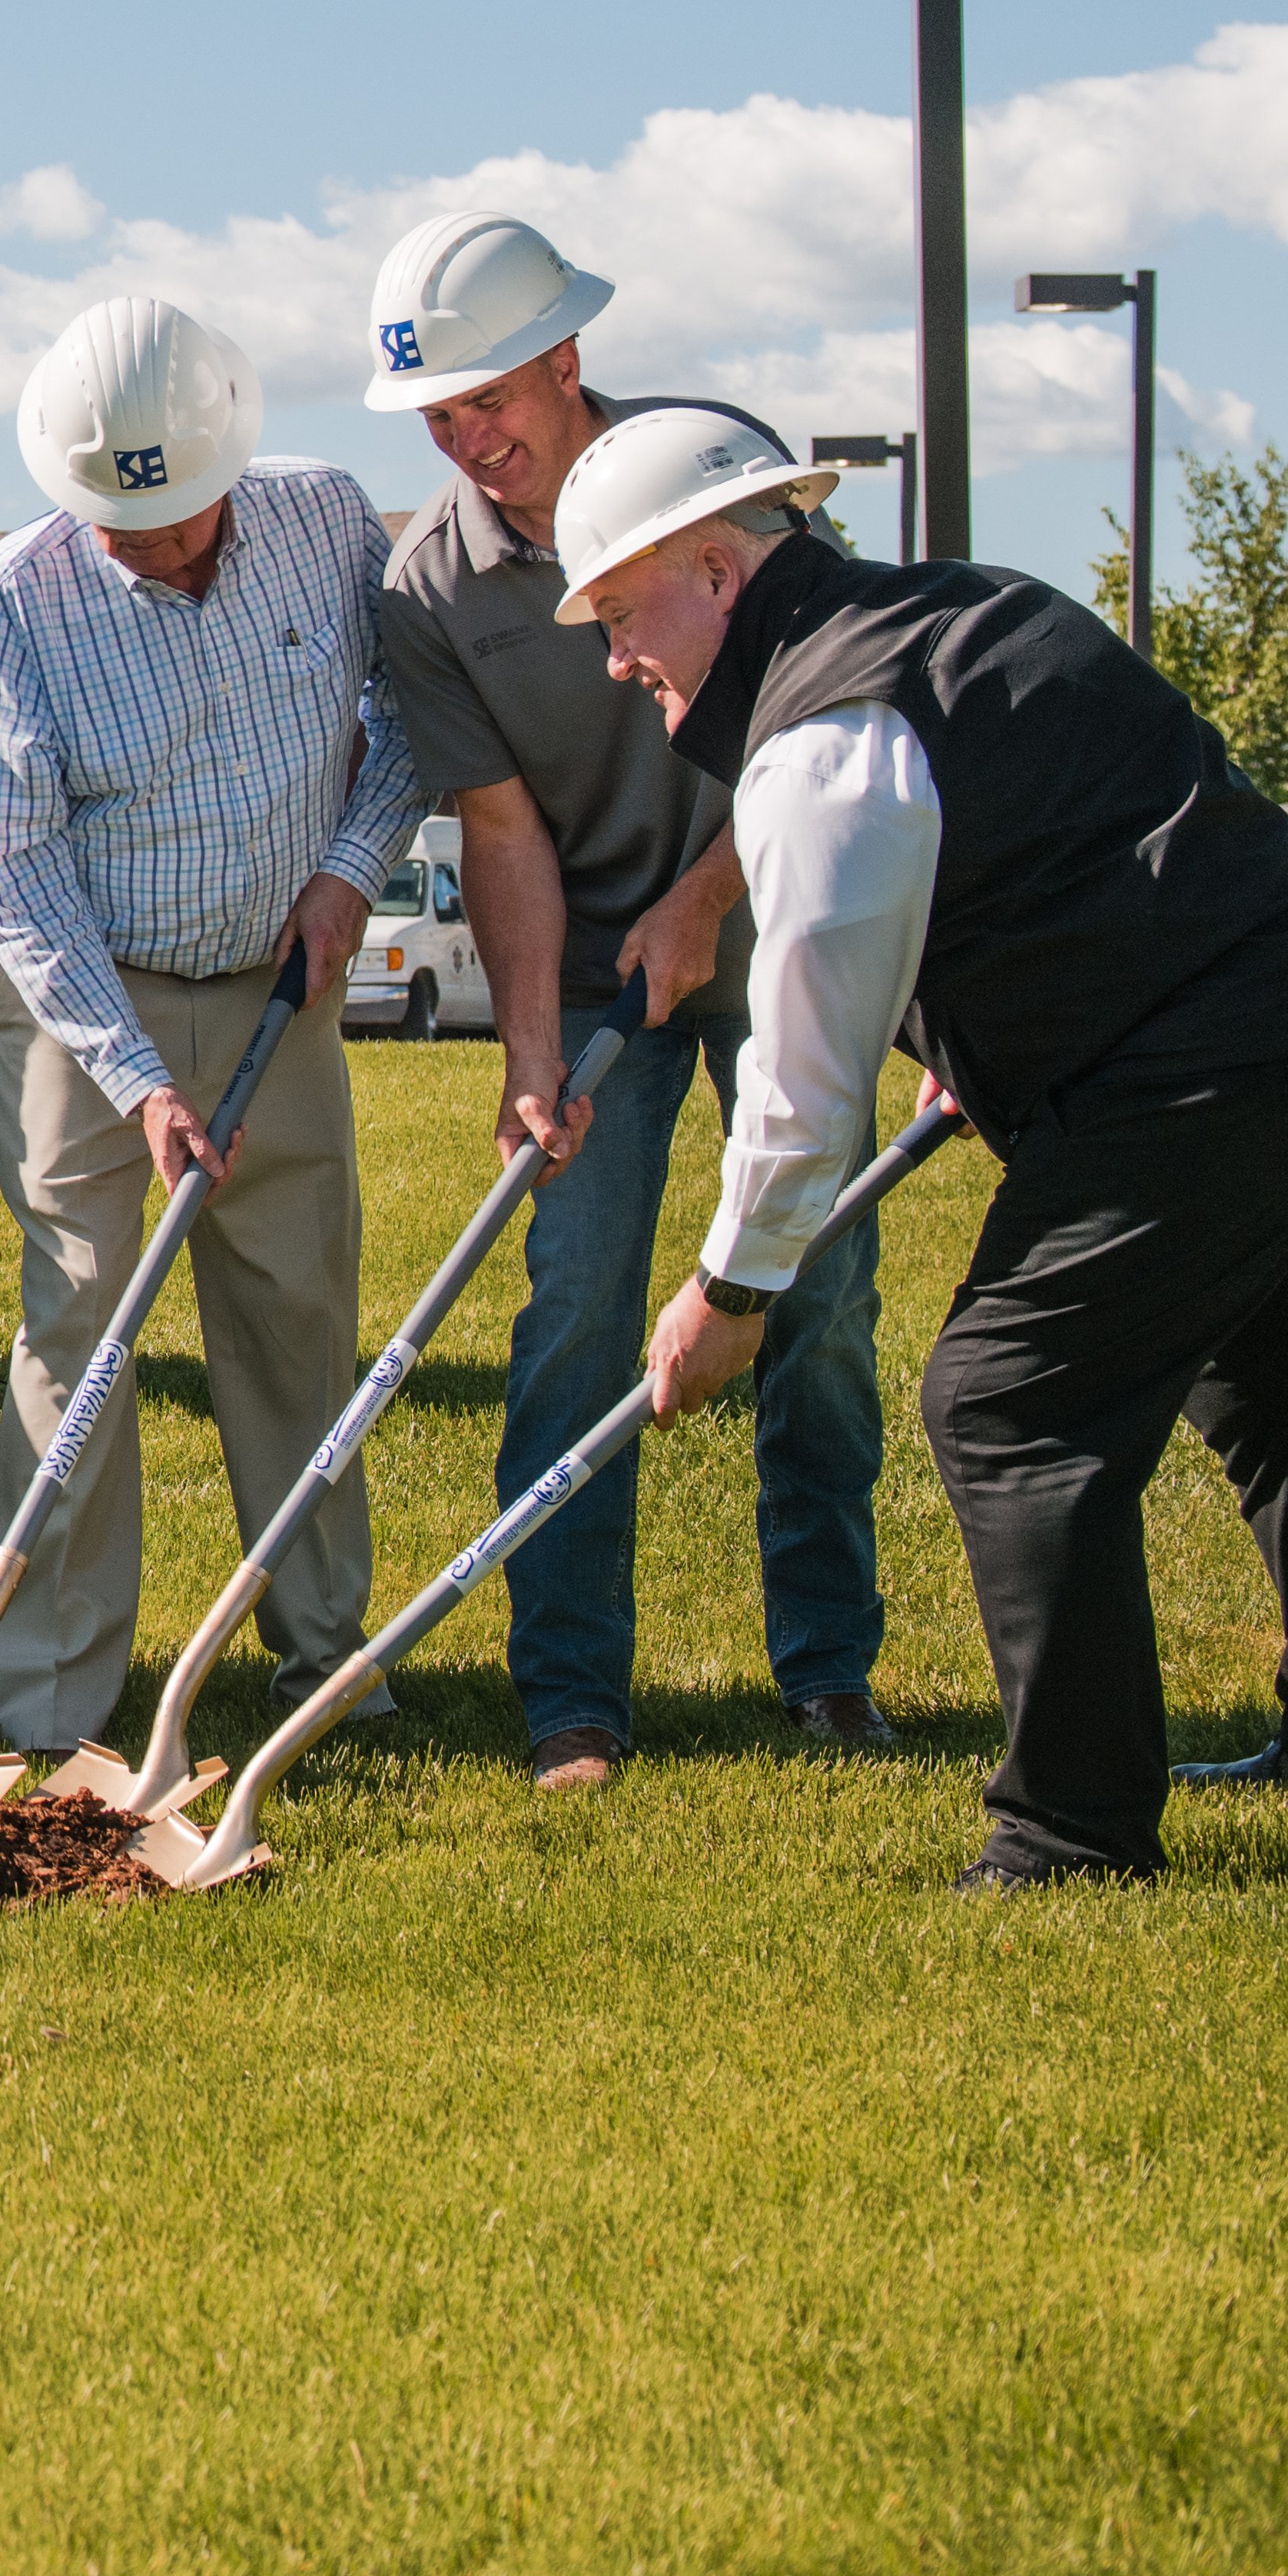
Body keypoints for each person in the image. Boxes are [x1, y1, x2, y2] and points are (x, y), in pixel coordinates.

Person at [559, 407, 1288, 1890]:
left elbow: (801, 1079)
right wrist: (979, 1048)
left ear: (719, 572)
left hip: (1230, 1068)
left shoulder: (824, 744)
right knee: (1283, 1382)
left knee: (1007, 1403)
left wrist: (730, 1295)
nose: (613, 657)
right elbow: (1078, 846)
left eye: (619, 611)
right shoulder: (966, 607)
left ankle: (1071, 1830)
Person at [359, 211, 891, 1789]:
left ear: (569, 359)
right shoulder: (428, 586)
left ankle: (828, 1668)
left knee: (819, 1290)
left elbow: (826, 724)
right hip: (594, 962)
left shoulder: (708, 479)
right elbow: (505, 831)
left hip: (774, 916)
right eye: (436, 416)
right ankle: (571, 1694)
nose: (468, 441)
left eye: (488, 399)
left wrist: (705, 899)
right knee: (577, 1304)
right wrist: (534, 1058)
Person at [0, 297, 419, 1763]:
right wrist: (139, 1080)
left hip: (286, 978)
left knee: (293, 1319)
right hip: (88, 1000)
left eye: (172, 513)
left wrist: (353, 867)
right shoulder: (14, 603)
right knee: (77, 1327)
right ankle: (49, 1696)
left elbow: (413, 713)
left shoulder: (332, 525)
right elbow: (12, 872)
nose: (149, 542)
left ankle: (325, 1661)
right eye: (114, 519)